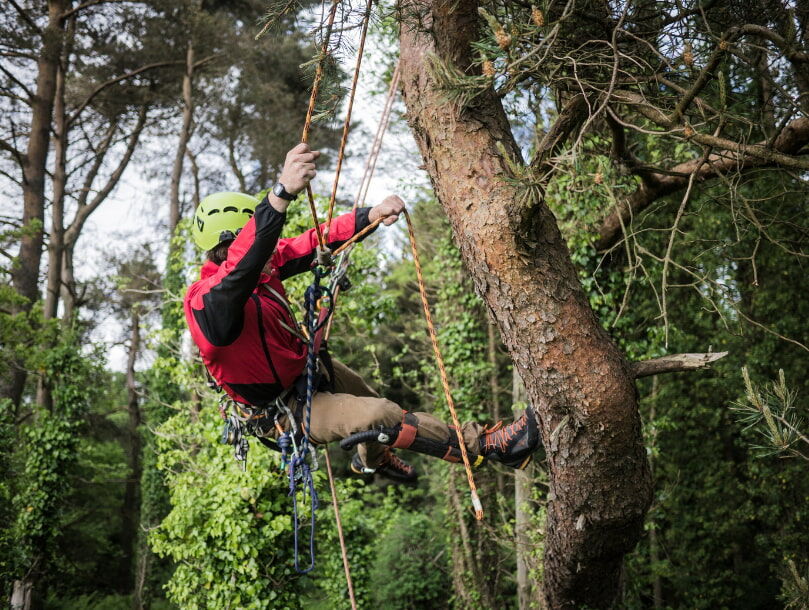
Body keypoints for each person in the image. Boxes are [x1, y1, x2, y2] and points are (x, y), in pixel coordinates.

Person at [184, 143, 541, 481]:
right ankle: (491, 448)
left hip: (304, 372)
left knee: (368, 397)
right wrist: (280, 194)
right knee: (380, 415)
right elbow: (239, 275)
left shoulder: (267, 263)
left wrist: (370, 215)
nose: (274, 253)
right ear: (235, 247)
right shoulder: (206, 303)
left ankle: (373, 459)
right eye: (263, 247)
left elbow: (313, 241)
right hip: (282, 412)